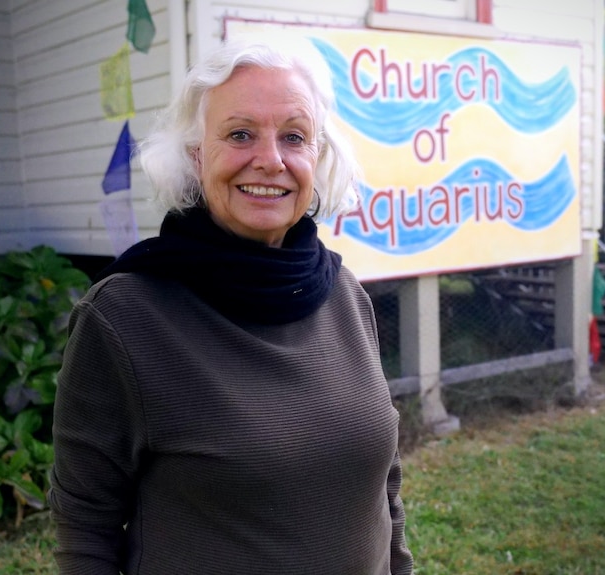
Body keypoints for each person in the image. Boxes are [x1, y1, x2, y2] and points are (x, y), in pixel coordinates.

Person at [48, 31, 414, 575]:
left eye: (294, 137)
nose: (270, 161)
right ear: (197, 158)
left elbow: (382, 487)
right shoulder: (125, 316)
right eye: (240, 134)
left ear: (317, 157)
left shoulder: (346, 296)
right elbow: (85, 528)